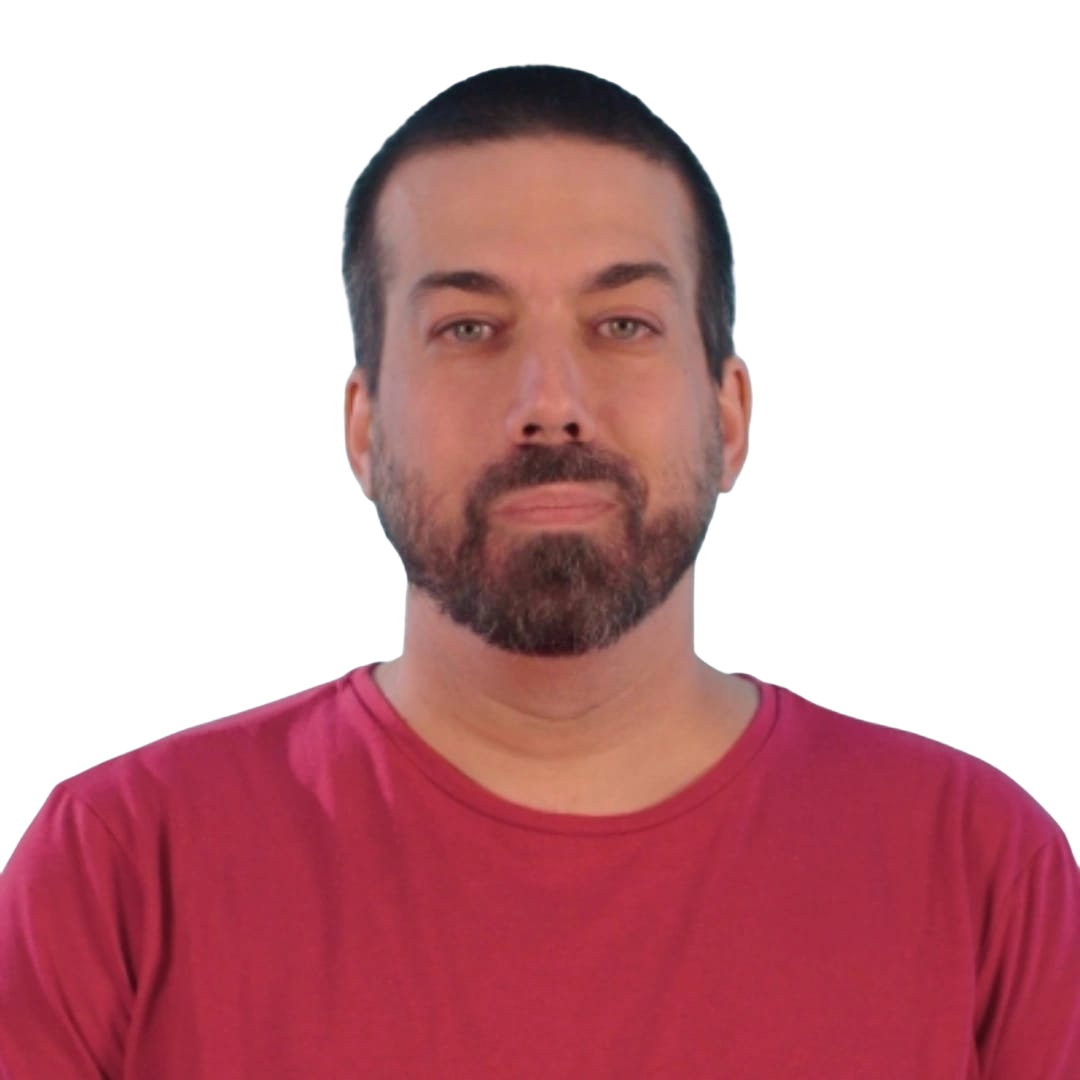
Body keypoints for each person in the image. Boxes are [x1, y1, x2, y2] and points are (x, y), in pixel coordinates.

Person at [0, 64, 1076, 1078]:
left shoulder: (979, 868)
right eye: (469, 327)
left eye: (623, 324)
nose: (551, 402)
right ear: (365, 430)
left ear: (729, 416)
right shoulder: (119, 872)